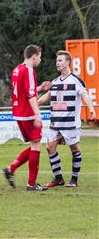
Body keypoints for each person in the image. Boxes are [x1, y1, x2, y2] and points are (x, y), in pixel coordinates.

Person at [38, 50, 96, 188]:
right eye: (57, 60)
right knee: (50, 147)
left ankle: (74, 180)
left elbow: (85, 95)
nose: (57, 63)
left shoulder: (76, 81)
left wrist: (92, 108)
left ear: (68, 62)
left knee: (74, 148)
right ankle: (58, 178)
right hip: (55, 123)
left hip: (70, 124)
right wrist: (34, 103)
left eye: (60, 60)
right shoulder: (55, 81)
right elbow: (46, 97)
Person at [2, 45, 51, 191]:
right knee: (36, 146)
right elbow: (30, 95)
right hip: (28, 113)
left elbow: (24, 90)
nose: (40, 60)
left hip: (18, 113)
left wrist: (40, 88)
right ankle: (31, 184)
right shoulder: (29, 70)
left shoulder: (17, 69)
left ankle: (11, 169)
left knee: (34, 145)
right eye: (40, 57)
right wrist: (37, 114)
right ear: (34, 56)